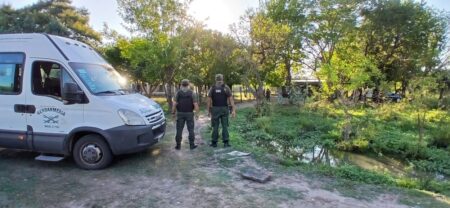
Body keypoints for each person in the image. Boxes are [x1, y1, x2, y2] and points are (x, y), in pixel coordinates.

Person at [207, 74, 236, 148]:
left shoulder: (212, 88)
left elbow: (209, 100)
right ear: (222, 79)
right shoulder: (226, 87)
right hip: (224, 109)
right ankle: (226, 143)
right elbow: (231, 99)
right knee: (225, 126)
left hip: (215, 109)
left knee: (215, 126)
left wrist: (209, 111)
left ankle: (214, 143)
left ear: (216, 79)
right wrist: (233, 110)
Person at [172, 79, 199, 150]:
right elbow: (195, 104)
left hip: (180, 113)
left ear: (181, 84)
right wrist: (197, 114)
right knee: (191, 130)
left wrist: (173, 113)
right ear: (188, 84)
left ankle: (178, 146)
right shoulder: (192, 93)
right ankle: (192, 145)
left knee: (179, 130)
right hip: (189, 113)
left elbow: (174, 104)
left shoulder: (178, 93)